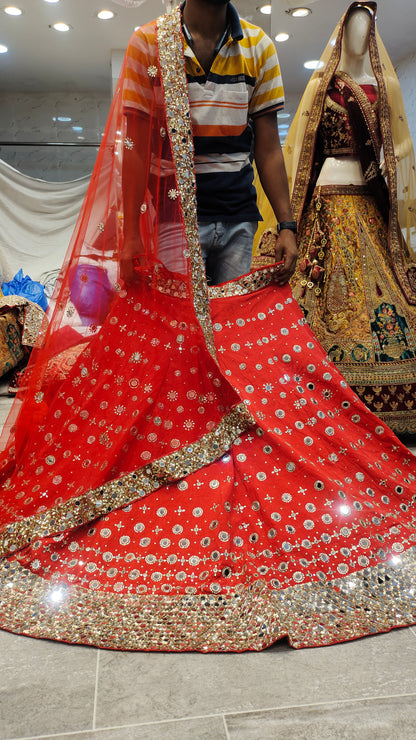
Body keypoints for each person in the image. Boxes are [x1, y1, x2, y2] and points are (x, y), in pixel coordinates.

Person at [0, 1, 416, 652]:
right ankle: (182, 449)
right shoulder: (148, 44)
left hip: (236, 222)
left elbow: (268, 147)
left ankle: (224, 444)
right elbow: (134, 145)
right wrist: (133, 235)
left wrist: (285, 221)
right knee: (176, 351)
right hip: (170, 226)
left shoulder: (256, 46)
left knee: (237, 349)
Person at [260, 1, 416, 437]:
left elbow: (397, 151)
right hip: (327, 193)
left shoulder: (385, 86)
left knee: (382, 284)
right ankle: (306, 390)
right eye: (353, 27)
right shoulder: (323, 84)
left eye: (366, 28)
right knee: (322, 283)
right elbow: (302, 150)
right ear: (342, 30)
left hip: (367, 194)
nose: (358, 36)